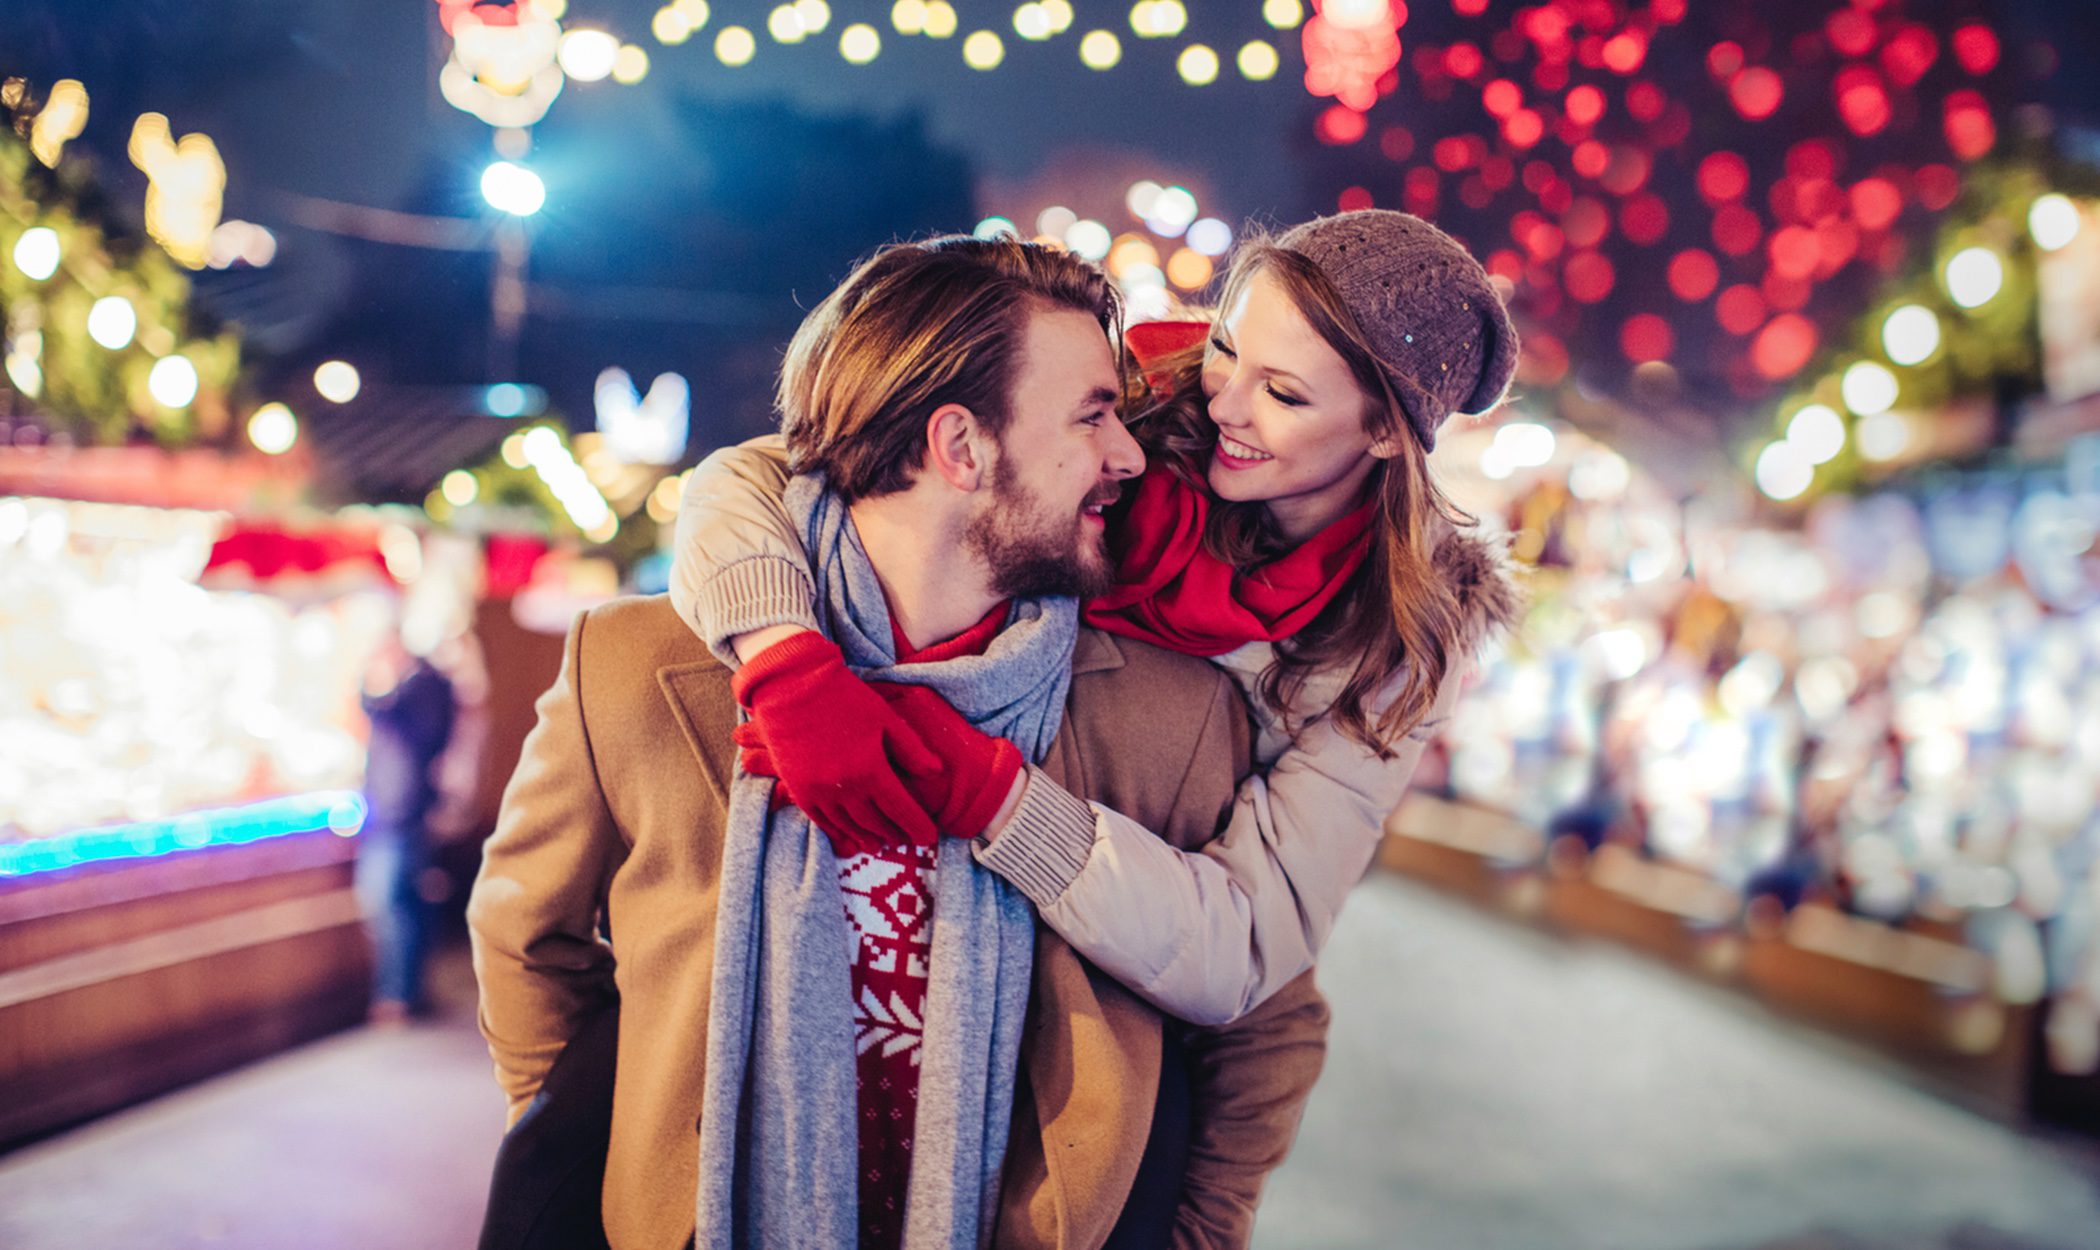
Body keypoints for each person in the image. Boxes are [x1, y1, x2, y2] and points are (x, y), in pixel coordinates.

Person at [468, 235, 1327, 1250]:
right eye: (1095, 414)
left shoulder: (1168, 717)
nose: (1128, 455)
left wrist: (1197, 1232)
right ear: (959, 446)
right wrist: (622, 1152)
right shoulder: (635, 668)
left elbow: (1262, 1017)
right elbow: (526, 939)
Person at [672, 209, 1522, 1026]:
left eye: (1286, 395)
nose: (1225, 406)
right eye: (1227, 348)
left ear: (1383, 433)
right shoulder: (1137, 410)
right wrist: (786, 664)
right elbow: (774, 474)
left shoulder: (1395, 643)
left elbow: (1254, 945)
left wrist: (992, 793)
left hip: (1099, 956)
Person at [357, 622, 458, 1022]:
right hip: (395, 808)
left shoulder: (424, 687)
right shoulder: (422, 686)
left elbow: (396, 724)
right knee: (404, 901)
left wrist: (372, 686)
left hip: (402, 810)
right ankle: (404, 991)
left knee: (390, 901)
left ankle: (398, 994)